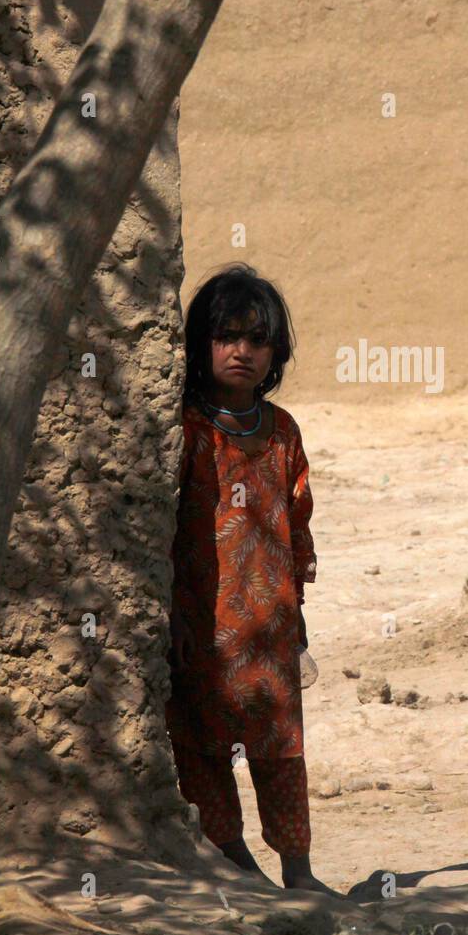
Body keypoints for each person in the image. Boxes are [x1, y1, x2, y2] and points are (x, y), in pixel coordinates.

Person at [167, 263, 335, 894]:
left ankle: (299, 870)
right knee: (202, 747)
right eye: (226, 336)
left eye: (257, 339)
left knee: (281, 751)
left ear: (276, 353)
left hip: (268, 630)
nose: (242, 351)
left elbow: (297, 519)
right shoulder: (186, 430)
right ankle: (236, 863)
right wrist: (173, 617)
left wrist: (297, 619)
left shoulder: (282, 431)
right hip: (201, 625)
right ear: (199, 345)